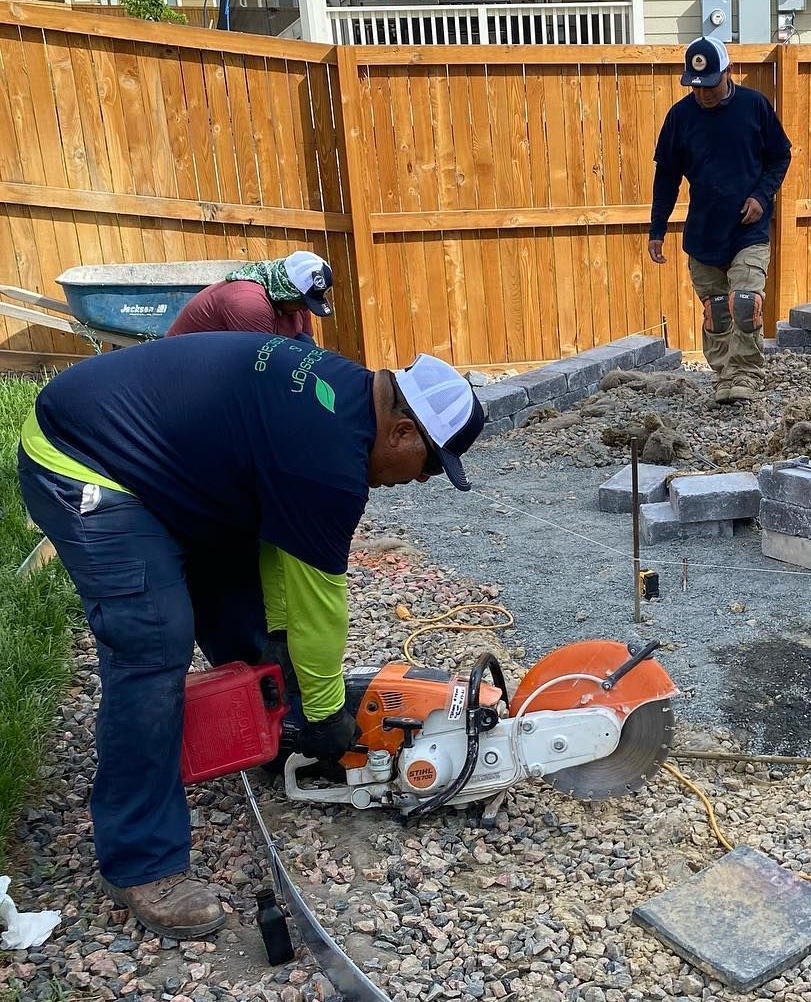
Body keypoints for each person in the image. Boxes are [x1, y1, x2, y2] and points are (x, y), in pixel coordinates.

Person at [17, 334, 484, 940]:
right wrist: (321, 711)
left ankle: (263, 731)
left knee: (245, 615)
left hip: (166, 465)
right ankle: (142, 862)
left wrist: (280, 651)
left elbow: (278, 547)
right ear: (401, 433)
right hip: (82, 454)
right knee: (153, 639)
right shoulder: (332, 460)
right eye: (430, 466)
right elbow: (322, 606)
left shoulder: (344, 396)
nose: (422, 481)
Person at [648, 36, 792, 404]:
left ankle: (746, 373)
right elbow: (666, 176)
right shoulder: (680, 118)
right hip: (704, 231)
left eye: (711, 84)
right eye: (697, 87)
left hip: (749, 229)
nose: (704, 93)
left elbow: (780, 157)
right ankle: (725, 374)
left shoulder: (754, 106)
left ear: (728, 72)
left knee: (744, 301)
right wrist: (657, 229)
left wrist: (761, 196)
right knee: (716, 310)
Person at [165, 252, 334, 340]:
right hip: (183, 376)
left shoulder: (295, 304)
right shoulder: (248, 303)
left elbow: (306, 350)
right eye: (303, 301)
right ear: (286, 290)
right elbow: (262, 365)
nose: (305, 308)